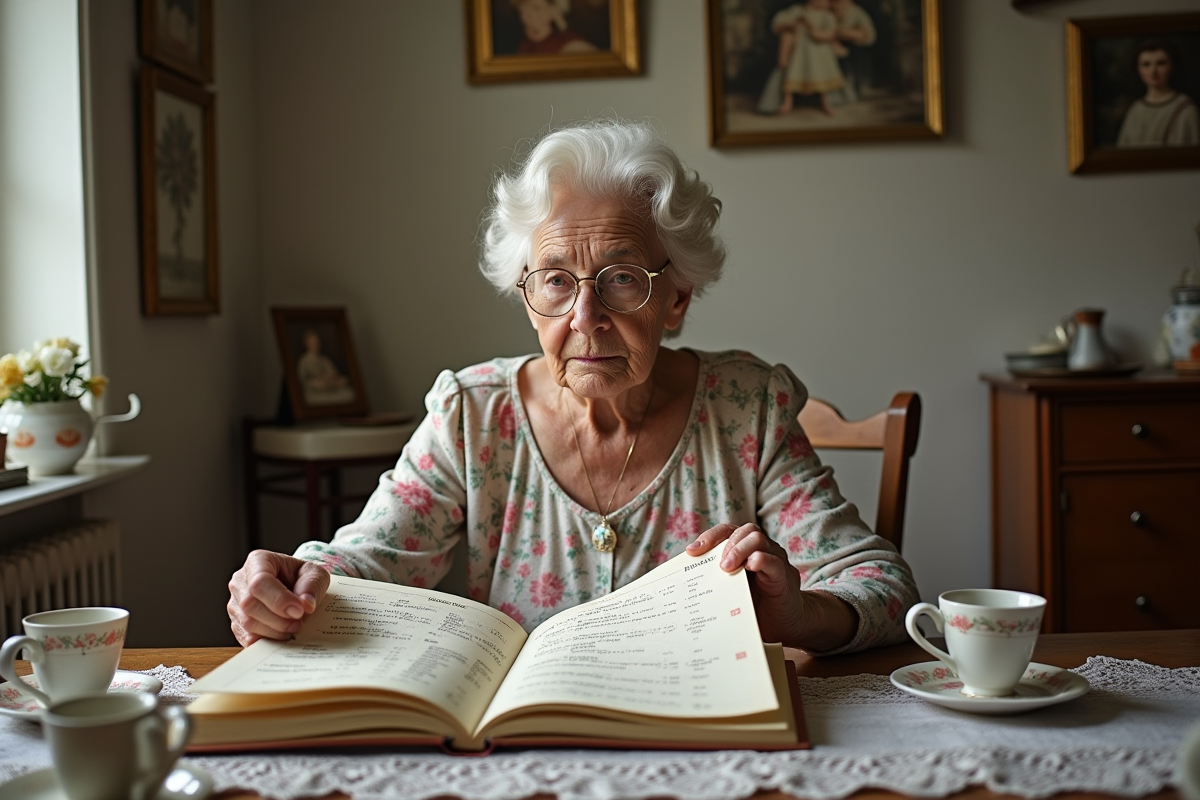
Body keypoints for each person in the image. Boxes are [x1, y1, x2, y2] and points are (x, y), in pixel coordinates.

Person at [227, 119, 919, 656]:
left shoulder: (746, 412)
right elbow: (367, 563)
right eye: (556, 280)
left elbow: (883, 586)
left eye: (622, 279)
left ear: (675, 297)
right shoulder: (474, 416)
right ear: (528, 298)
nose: (586, 320)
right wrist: (290, 582)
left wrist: (801, 615)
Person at [1116, 39, 1199, 148]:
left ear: (1172, 66)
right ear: (1138, 69)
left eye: (1161, 63)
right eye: (1146, 64)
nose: (1153, 71)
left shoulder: (1186, 109)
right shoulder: (1136, 109)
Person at [769, 0, 846, 116]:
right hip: (800, 52)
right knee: (792, 73)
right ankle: (787, 102)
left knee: (822, 75)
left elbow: (831, 33)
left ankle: (825, 103)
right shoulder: (799, 11)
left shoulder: (826, 15)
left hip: (820, 52)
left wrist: (818, 34)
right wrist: (794, 23)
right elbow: (778, 22)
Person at [828, 0, 876, 105]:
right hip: (830, 46)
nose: (837, 4)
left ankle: (855, 90)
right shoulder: (826, 11)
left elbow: (868, 36)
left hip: (854, 47)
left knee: (854, 59)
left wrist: (844, 33)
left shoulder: (856, 12)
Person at [511, 0, 597, 55]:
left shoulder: (570, 43)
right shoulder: (521, 45)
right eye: (523, 8)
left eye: (536, 8)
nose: (528, 13)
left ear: (553, 11)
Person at [296, 329, 354, 406]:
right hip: (316, 389)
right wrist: (317, 382)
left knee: (348, 389)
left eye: (317, 342)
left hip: (330, 385)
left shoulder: (325, 359)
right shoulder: (304, 361)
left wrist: (330, 376)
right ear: (307, 344)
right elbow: (302, 380)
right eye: (313, 342)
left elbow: (333, 372)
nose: (316, 344)